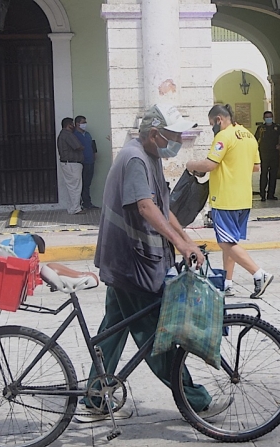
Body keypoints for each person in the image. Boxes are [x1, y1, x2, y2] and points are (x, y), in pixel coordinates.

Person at [78, 103, 229, 423]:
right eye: (173, 136)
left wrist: (186, 240)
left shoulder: (149, 155)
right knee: (154, 335)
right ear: (156, 134)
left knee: (113, 329)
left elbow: (163, 207)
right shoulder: (135, 158)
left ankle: (94, 395)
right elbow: (146, 208)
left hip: (124, 260)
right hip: (132, 262)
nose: (176, 142)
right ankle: (196, 401)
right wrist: (179, 243)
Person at [186, 104, 274, 299]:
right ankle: (227, 283)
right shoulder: (248, 136)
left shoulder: (223, 137)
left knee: (226, 243)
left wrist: (191, 164)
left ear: (219, 119)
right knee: (231, 242)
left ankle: (259, 274)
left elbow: (210, 164)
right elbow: (256, 167)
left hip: (225, 198)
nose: (212, 128)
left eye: (212, 124)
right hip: (243, 198)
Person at [254, 111, 280, 201]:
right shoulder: (261, 128)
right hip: (264, 154)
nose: (268, 119)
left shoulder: (277, 127)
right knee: (264, 174)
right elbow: (255, 139)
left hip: (274, 154)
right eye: (267, 117)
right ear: (264, 118)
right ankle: (262, 194)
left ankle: (271, 194)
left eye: (270, 117)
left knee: (273, 175)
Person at [57, 117, 85, 214]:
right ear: (68, 125)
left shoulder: (62, 134)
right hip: (72, 164)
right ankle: (76, 209)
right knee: (75, 187)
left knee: (71, 187)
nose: (73, 126)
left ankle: (72, 208)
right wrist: (83, 146)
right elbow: (78, 146)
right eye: (72, 124)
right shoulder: (68, 135)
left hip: (67, 163)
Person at [74, 115, 99, 210]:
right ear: (77, 124)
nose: (85, 124)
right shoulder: (75, 135)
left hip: (90, 162)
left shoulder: (87, 134)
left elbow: (92, 145)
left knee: (87, 183)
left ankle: (87, 202)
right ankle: (82, 203)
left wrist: (94, 155)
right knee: (82, 184)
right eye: (83, 122)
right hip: (81, 162)